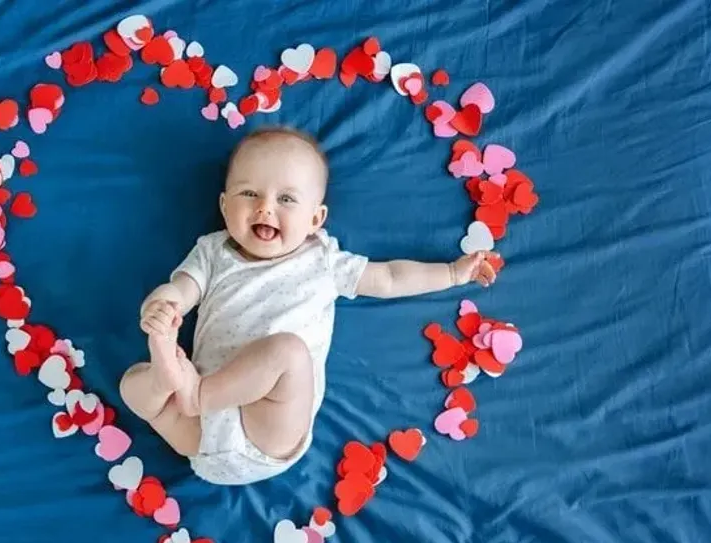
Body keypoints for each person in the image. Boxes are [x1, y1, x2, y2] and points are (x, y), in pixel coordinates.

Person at [120, 126, 497, 485]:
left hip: (268, 431)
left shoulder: (324, 260)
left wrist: (451, 273)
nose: (265, 209)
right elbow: (183, 287)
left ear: (315, 219)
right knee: (133, 383)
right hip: (199, 439)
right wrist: (164, 307)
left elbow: (390, 278)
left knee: (288, 353)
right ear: (224, 204)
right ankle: (165, 377)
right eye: (249, 194)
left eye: (286, 199)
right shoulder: (212, 252)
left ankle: (192, 391)